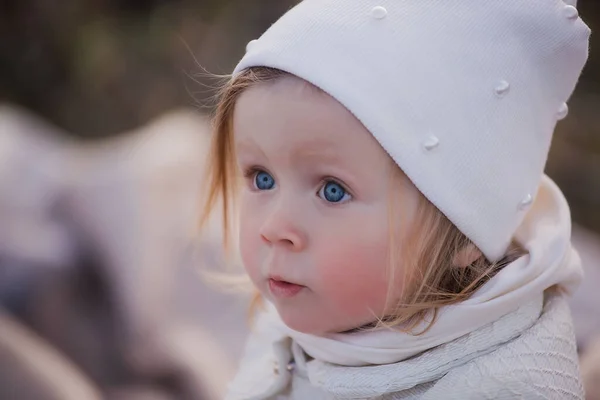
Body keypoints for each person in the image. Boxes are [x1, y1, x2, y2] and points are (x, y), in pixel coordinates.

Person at [199, 0, 591, 398]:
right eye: (262, 179)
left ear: (465, 230)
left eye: (332, 191)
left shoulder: (506, 386)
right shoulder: (300, 310)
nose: (273, 228)